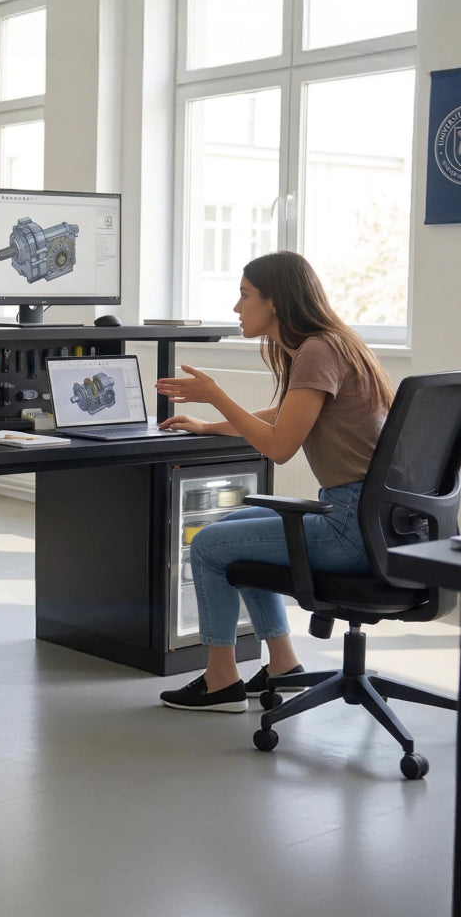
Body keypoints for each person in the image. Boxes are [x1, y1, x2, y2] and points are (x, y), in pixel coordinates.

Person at [155, 251, 394, 712]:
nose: (236, 307)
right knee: (241, 522)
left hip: (353, 528)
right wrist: (208, 425)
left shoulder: (317, 351)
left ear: (276, 303)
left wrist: (216, 396)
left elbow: (279, 446)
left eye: (245, 295)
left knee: (209, 545)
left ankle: (220, 681)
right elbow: (288, 416)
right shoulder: (336, 343)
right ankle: (284, 664)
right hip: (378, 522)